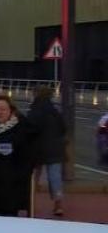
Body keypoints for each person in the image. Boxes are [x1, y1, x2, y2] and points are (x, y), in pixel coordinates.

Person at [27, 87, 67, 217]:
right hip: (55, 149)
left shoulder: (34, 111)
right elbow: (63, 128)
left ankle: (30, 203)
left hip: (37, 149)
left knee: (33, 177)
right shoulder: (54, 111)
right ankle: (58, 205)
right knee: (55, 178)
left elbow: (30, 129)